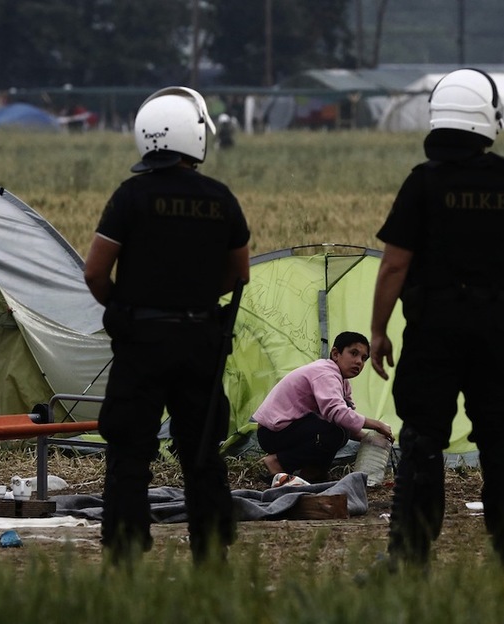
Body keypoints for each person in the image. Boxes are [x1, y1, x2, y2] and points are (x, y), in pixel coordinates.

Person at [369, 68, 504, 570]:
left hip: (433, 331)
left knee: (423, 438)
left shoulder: (423, 183)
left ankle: (409, 559)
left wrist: (377, 330)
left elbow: (394, 264)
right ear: (490, 118)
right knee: (500, 438)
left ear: (438, 117)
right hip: (497, 332)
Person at [83, 86, 251, 566]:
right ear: (193, 136)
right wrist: (197, 299)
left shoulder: (131, 196)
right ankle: (212, 551)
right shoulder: (220, 199)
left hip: (142, 341)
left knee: (129, 452)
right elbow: (238, 273)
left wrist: (123, 307)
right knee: (202, 450)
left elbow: (95, 271)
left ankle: (125, 553)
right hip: (200, 340)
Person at [253, 331, 394, 484]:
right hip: (272, 433)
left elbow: (346, 420)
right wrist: (377, 425)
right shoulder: (325, 373)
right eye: (353, 353)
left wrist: (369, 439)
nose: (359, 362)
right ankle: (278, 462)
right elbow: (339, 414)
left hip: (289, 430)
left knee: (340, 426)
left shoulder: (341, 381)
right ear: (335, 354)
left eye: (363, 358)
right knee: (337, 430)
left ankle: (311, 473)